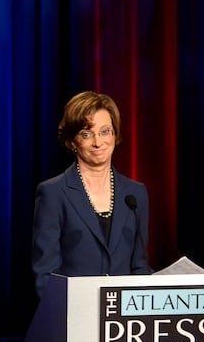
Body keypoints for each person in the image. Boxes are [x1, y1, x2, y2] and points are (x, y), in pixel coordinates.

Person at [31, 91, 153, 297]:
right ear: (72, 141)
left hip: (123, 319)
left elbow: (140, 266)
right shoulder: (53, 192)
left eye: (105, 131)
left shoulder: (135, 194)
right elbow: (46, 274)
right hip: (73, 313)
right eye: (86, 134)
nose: (98, 142)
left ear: (115, 134)